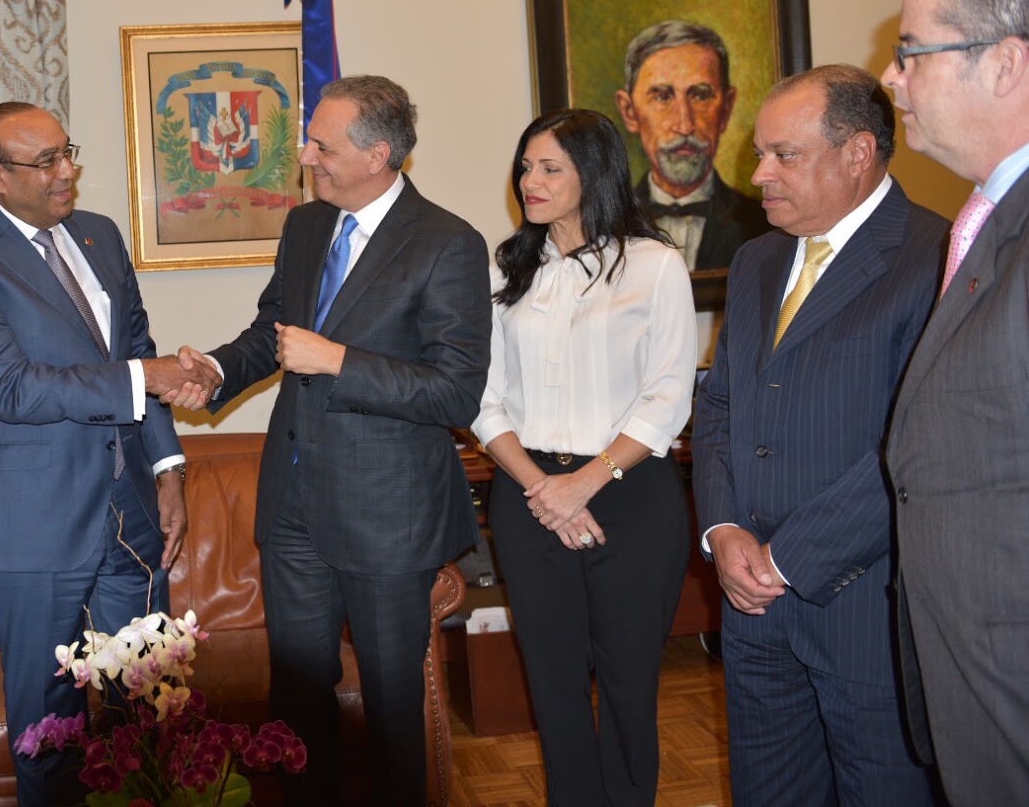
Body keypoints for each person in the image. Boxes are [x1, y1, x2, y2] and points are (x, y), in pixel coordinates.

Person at [192, 75, 490, 806]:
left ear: (377, 154)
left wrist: (340, 362)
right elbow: (273, 332)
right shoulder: (305, 226)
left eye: (322, 146)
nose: (306, 157)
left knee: (391, 709)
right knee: (296, 703)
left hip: (387, 516)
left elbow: (455, 392)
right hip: (293, 506)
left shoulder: (447, 242)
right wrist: (214, 370)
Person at [0, 102, 198, 807]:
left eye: (66, 152)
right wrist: (143, 377)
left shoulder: (99, 235)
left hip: (131, 513)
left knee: (150, 708)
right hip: (33, 525)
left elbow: (137, 349)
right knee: (51, 731)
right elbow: (12, 387)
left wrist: (167, 468)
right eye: (45, 162)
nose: (66, 171)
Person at [692, 65, 946, 805]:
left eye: (784, 154)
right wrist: (723, 528)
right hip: (752, 610)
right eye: (759, 153)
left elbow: (916, 446)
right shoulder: (757, 258)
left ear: (858, 153)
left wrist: (789, 559)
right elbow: (720, 405)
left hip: (870, 612)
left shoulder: (935, 257)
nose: (759, 174)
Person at [474, 107, 694, 806]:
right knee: (553, 680)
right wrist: (545, 488)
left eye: (549, 168)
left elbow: (668, 397)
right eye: (525, 166)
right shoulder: (506, 270)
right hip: (527, 493)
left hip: (631, 493)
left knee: (629, 680)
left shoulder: (655, 266)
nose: (529, 181)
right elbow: (483, 399)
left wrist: (587, 482)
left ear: (593, 175)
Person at [881, 0, 1029, 804]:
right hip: (974, 656)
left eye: (912, 53)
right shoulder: (986, 220)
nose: (891, 77)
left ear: (1005, 63)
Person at [614, 20, 770, 269]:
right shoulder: (605, 225)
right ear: (629, 111)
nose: (684, 125)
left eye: (700, 95)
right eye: (662, 97)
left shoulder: (765, 224)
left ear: (726, 108)